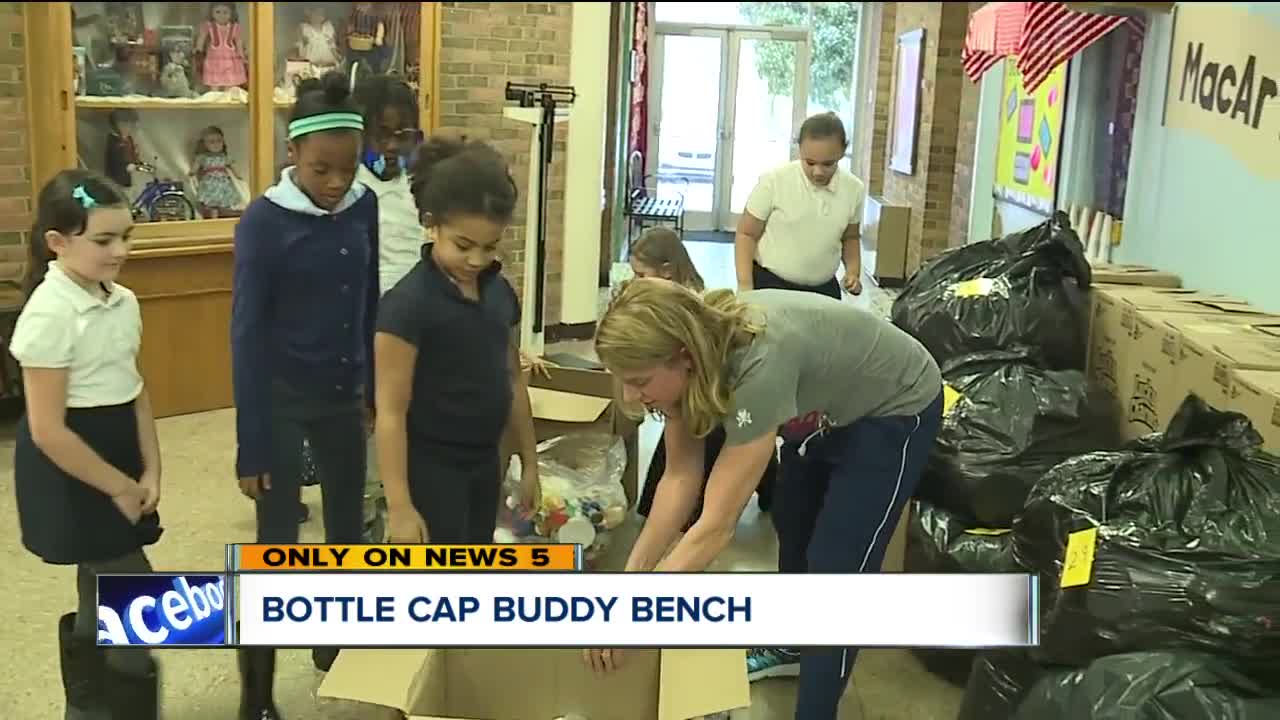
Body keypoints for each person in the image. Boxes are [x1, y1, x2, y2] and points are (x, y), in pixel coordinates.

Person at [584, 279, 943, 720]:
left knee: (834, 577)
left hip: (892, 405)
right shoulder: (687, 358)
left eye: (639, 381)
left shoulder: (759, 364)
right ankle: (791, 644)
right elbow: (679, 479)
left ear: (683, 357)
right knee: (793, 534)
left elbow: (714, 527)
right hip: (820, 407)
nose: (631, 397)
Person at [230, 70, 378, 718]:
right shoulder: (264, 221)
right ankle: (256, 695)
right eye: (322, 169)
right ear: (293, 155)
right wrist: (252, 443)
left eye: (348, 168)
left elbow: (369, 298)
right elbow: (245, 333)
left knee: (348, 529)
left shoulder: (363, 204)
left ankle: (334, 640)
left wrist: (372, 382)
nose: (337, 182)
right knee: (276, 543)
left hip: (344, 394)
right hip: (281, 399)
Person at [11, 169, 162, 717]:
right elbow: (48, 429)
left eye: (126, 237)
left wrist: (151, 469)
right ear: (58, 242)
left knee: (100, 583)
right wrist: (119, 486)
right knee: (141, 601)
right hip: (72, 467)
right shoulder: (49, 315)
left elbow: (136, 387)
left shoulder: (122, 300)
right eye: (104, 241)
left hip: (117, 454)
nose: (120, 251)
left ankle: (89, 707)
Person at [374, 135, 541, 546]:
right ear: (432, 223)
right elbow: (390, 413)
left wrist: (530, 463)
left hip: (486, 461)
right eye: (463, 246)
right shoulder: (406, 306)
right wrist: (399, 507)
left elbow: (513, 380)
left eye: (490, 246)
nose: (477, 260)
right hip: (430, 468)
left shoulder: (499, 292)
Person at [628, 227, 776, 527]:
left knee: (706, 442)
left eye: (641, 275)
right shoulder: (667, 300)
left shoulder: (695, 304)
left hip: (717, 391)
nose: (636, 282)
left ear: (667, 272)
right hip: (712, 393)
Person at [348, 73, 425, 539]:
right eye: (382, 135)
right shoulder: (350, 188)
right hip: (362, 323)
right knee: (365, 415)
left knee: (403, 413)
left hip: (411, 322)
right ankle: (358, 503)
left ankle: (396, 495)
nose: (393, 147)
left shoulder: (418, 184)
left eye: (404, 135)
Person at [735, 112, 867, 299]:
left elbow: (850, 237)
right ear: (800, 150)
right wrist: (745, 286)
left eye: (828, 164)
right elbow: (746, 234)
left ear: (843, 152)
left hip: (823, 290)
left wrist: (853, 272)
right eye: (810, 162)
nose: (818, 172)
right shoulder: (774, 181)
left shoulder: (854, 189)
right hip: (771, 284)